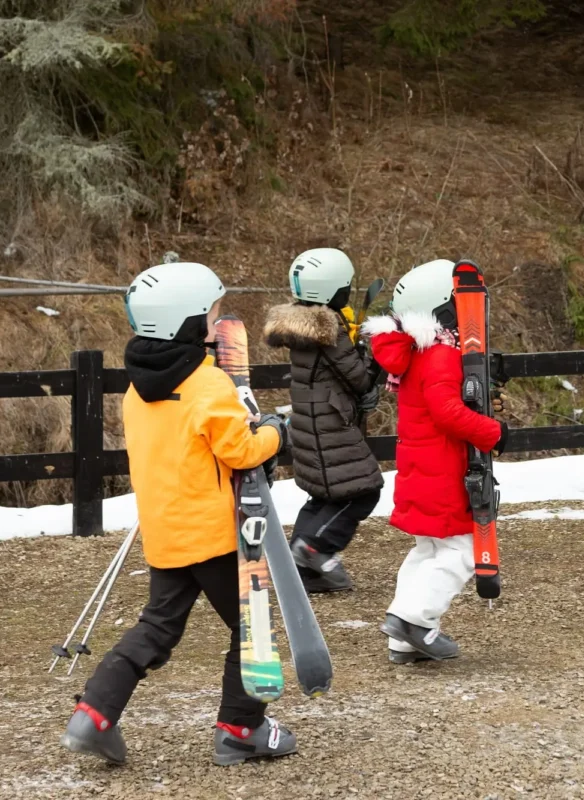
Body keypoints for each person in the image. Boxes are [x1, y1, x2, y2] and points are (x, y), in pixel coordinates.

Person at [60, 261, 298, 766]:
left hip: (167, 535)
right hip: (213, 536)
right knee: (249, 629)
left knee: (157, 628)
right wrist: (276, 430)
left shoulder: (135, 390)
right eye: (211, 316)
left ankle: (94, 715)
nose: (216, 326)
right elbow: (239, 450)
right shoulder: (207, 385)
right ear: (187, 323)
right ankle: (242, 729)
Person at [362, 259, 507, 664]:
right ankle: (414, 621)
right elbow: (446, 412)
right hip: (441, 472)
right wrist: (494, 433)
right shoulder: (441, 355)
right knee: (460, 550)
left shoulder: (415, 353)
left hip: (420, 470)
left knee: (427, 551)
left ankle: (404, 639)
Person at [264, 248, 383, 593]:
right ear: (334, 290)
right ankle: (314, 547)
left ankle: (302, 570)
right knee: (362, 492)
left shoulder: (302, 324)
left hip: (311, 424)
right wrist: (375, 357)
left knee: (323, 496)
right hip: (328, 425)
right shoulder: (328, 331)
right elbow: (359, 379)